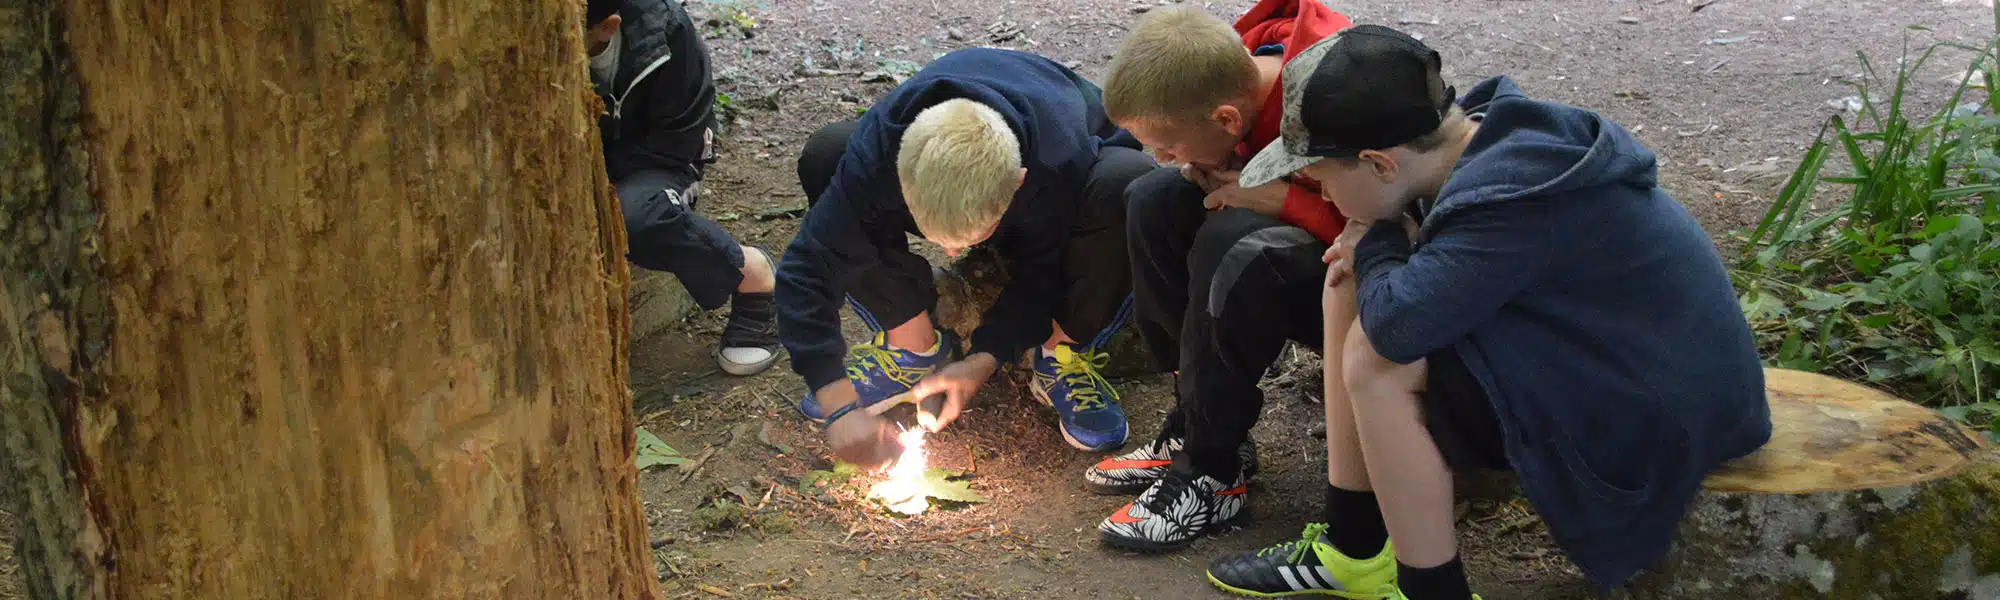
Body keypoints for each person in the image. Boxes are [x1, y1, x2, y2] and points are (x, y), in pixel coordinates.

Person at [1203, 26, 1773, 600]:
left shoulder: (1512, 196)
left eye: (1324, 179)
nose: (1323, 197)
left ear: (1379, 163)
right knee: (1348, 282)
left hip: (1669, 405)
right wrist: (1374, 246)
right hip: (1606, 357)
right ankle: (1354, 549)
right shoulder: (1473, 141)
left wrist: (1377, 239)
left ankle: (1433, 590)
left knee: (1379, 361)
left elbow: (1401, 330)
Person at [779, 47, 1156, 466]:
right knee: (828, 153)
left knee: (1126, 184)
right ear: (899, 177)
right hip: (973, 173)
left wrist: (984, 359)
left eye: (965, 239)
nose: (954, 253)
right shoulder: (882, 147)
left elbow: (1041, 275)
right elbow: (805, 270)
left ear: (1018, 184)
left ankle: (1060, 353)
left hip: (1068, 173)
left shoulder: (1056, 163)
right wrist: (838, 401)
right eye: (938, 237)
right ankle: (913, 347)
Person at [1089, 1, 1353, 552]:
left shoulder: (1341, 97)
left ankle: (1211, 472)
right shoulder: (1233, 73)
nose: (1161, 155)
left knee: (1231, 240)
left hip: (1367, 284)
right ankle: (1194, 417)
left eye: (1169, 144)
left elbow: (1396, 229)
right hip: (1306, 226)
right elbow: (1195, 170)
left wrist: (1284, 200)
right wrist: (1218, 168)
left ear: (1227, 119)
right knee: (1153, 199)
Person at [584, 0, 780, 376]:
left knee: (632, 216)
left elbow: (679, 141)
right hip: (589, 161)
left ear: (608, 27)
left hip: (663, 160)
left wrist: (599, 181)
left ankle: (753, 274)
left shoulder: (666, 33)